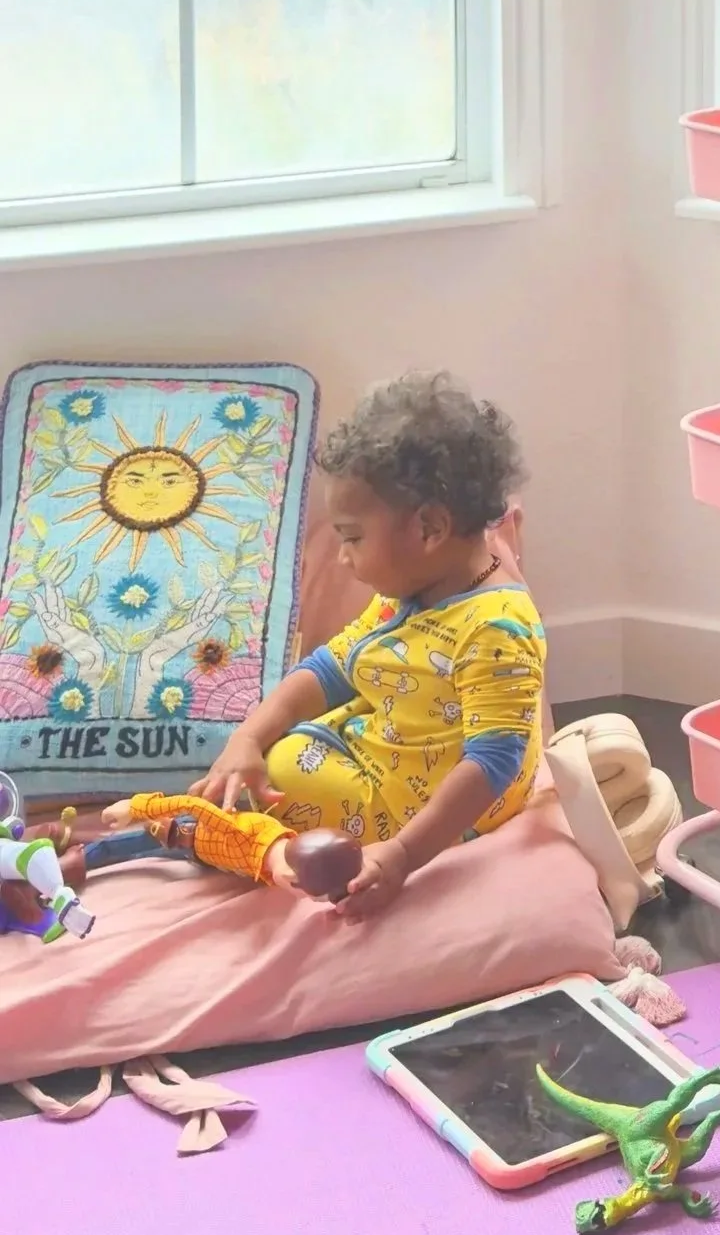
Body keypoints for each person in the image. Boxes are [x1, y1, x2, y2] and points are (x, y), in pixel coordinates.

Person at [199, 372, 544, 924]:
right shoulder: (414, 593)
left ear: (430, 528)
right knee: (276, 734)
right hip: (397, 742)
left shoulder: (497, 627)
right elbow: (329, 668)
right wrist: (247, 737)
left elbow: (493, 761)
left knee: (280, 774)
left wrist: (402, 856)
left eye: (352, 537)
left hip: (434, 809)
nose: (341, 558)